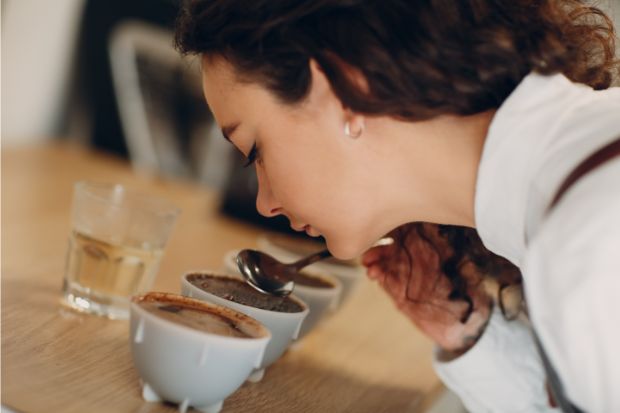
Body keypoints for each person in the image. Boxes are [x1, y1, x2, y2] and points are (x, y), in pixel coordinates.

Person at [173, 1, 620, 411]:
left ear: (343, 89)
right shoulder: (568, 199)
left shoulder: (591, 244)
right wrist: (462, 326)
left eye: (255, 151)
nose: (264, 202)